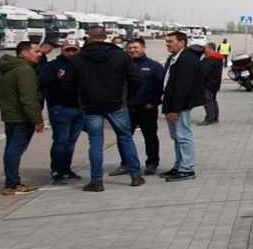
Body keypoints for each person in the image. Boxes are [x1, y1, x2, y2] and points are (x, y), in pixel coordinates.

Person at [63, 26, 145, 191]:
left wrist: (80, 99)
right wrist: (125, 95)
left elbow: (68, 85)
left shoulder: (78, 58)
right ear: (106, 36)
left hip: (91, 105)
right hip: (117, 103)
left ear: (89, 37)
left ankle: (97, 180)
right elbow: (136, 79)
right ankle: (135, 175)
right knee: (125, 138)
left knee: (95, 142)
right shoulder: (120, 55)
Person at [0, 42, 46, 195]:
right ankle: (12, 184)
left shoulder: (5, 68)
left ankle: (11, 181)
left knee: (10, 149)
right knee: (15, 150)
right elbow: (28, 98)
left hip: (10, 115)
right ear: (24, 53)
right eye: (36, 51)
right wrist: (37, 119)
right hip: (22, 117)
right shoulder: (25, 70)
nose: (40, 54)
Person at [112, 38, 164, 176]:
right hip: (125, 109)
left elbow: (160, 86)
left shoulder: (154, 66)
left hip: (146, 108)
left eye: (135, 47)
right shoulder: (121, 66)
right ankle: (125, 164)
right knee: (123, 137)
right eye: (130, 48)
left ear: (143, 47)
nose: (132, 50)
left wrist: (153, 102)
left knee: (150, 136)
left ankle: (152, 163)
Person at [159, 31, 203, 180]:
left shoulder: (187, 59)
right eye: (166, 42)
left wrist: (175, 109)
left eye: (171, 41)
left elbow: (183, 87)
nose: (168, 44)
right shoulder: (174, 58)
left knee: (183, 136)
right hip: (170, 102)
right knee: (177, 137)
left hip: (179, 105)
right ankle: (179, 165)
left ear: (182, 42)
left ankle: (187, 168)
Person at [39, 40, 84, 183]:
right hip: (60, 109)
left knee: (71, 142)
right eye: (67, 50)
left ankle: (66, 169)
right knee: (60, 141)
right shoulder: (52, 66)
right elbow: (43, 82)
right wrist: (57, 79)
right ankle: (57, 172)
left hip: (79, 109)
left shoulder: (83, 65)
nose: (70, 53)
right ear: (62, 50)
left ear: (79, 50)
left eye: (74, 50)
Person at [199, 40, 224, 125]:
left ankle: (209, 119)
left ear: (210, 48)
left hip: (208, 83)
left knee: (208, 101)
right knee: (212, 100)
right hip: (215, 83)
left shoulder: (210, 59)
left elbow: (205, 72)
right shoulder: (218, 58)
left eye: (205, 47)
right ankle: (215, 118)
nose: (203, 49)